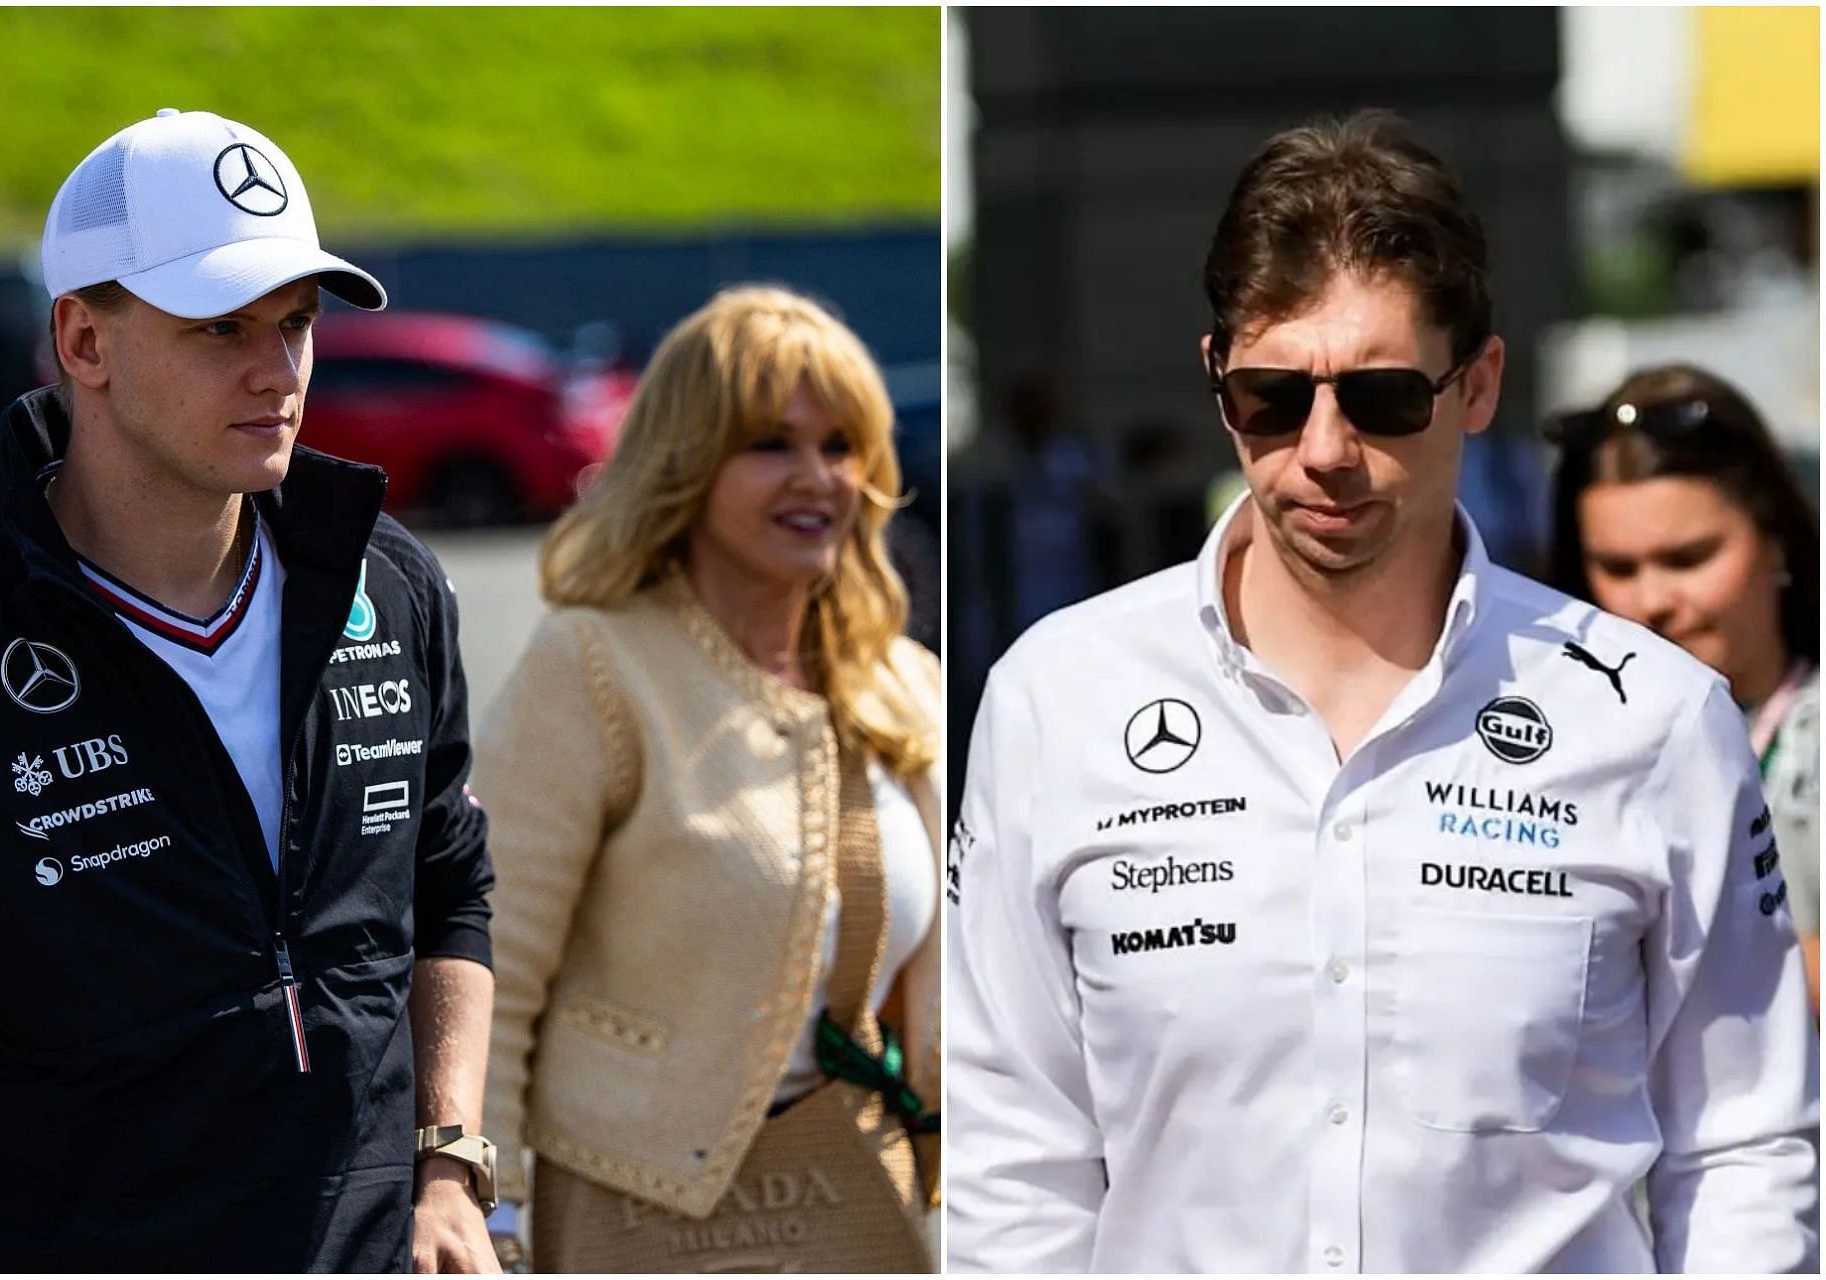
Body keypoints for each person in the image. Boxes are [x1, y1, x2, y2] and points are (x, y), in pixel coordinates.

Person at [946, 110, 1819, 1273]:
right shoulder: (1055, 696)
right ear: (1218, 383)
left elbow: (1745, 1147)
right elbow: (1015, 1157)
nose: (1323, 449)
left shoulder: (1654, 717)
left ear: (1478, 385)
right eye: (1271, 396)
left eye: (1382, 397)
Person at [0, 109, 500, 1272]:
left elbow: (449, 884)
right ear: (84, 340)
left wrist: (448, 1162)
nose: (277, 371)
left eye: (295, 324)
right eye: (220, 325)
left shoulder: (392, 583)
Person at [477, 285, 942, 1273]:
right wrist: (492, 1206)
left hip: (853, 1198)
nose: (815, 475)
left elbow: (946, 995)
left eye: (841, 444)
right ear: (686, 461)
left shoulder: (904, 683)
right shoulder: (593, 663)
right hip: (627, 1206)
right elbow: (493, 970)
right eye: (771, 443)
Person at [1547, 365, 1820, 1018]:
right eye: (1617, 568)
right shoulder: (1544, 747)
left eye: (1690, 558)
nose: (1654, 600)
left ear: (1775, 538)